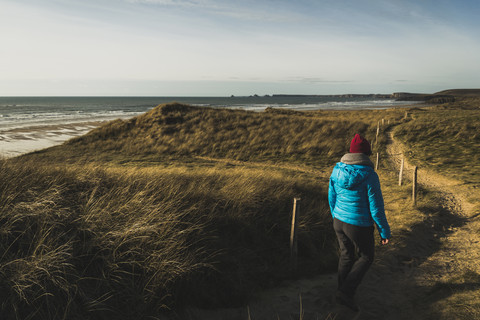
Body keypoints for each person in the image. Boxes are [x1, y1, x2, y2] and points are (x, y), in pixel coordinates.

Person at [328, 133, 391, 312]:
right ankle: (346, 292)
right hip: (358, 224)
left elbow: (331, 196)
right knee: (366, 257)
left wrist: (336, 216)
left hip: (339, 221)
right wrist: (384, 231)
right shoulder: (369, 175)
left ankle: (342, 292)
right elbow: (376, 208)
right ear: (366, 154)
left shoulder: (336, 169)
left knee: (346, 255)